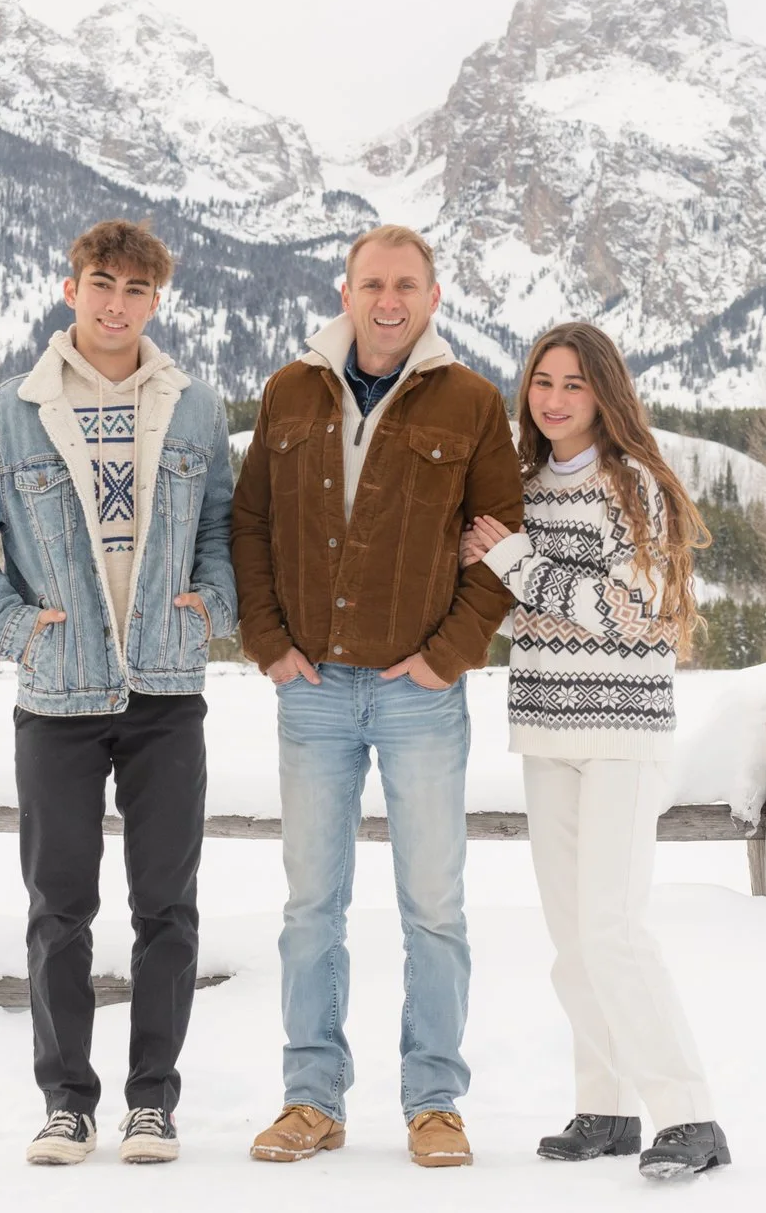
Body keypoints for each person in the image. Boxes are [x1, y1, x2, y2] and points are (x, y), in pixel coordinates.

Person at [0, 219, 237, 1168]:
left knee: (166, 906)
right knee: (59, 907)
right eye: (102, 283)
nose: (116, 303)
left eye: (136, 289)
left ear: (157, 300)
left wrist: (214, 602)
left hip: (165, 686)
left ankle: (153, 1103)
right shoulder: (8, 412)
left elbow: (223, 524)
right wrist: (10, 623)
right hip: (58, 692)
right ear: (72, 289)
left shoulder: (194, 409)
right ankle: (66, 1102)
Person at [231, 223, 524, 1170]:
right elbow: (250, 523)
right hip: (313, 688)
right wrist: (269, 643)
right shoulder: (290, 389)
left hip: (417, 694)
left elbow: (503, 544)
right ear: (345, 292)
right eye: (372, 284)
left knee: (433, 905)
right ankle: (311, 1100)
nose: (388, 301)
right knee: (311, 905)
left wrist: (448, 656)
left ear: (432, 298)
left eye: (406, 285)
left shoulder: (471, 401)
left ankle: (434, 1102)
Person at [461, 320, 733, 1182]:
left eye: (573, 383)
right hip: (546, 726)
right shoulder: (523, 486)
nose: (554, 399)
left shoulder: (635, 486)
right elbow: (519, 603)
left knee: (613, 927)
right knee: (571, 937)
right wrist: (513, 569)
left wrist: (516, 563)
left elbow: (630, 608)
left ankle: (690, 1114)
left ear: (604, 393)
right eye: (542, 381)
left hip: (622, 730)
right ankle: (606, 1105)